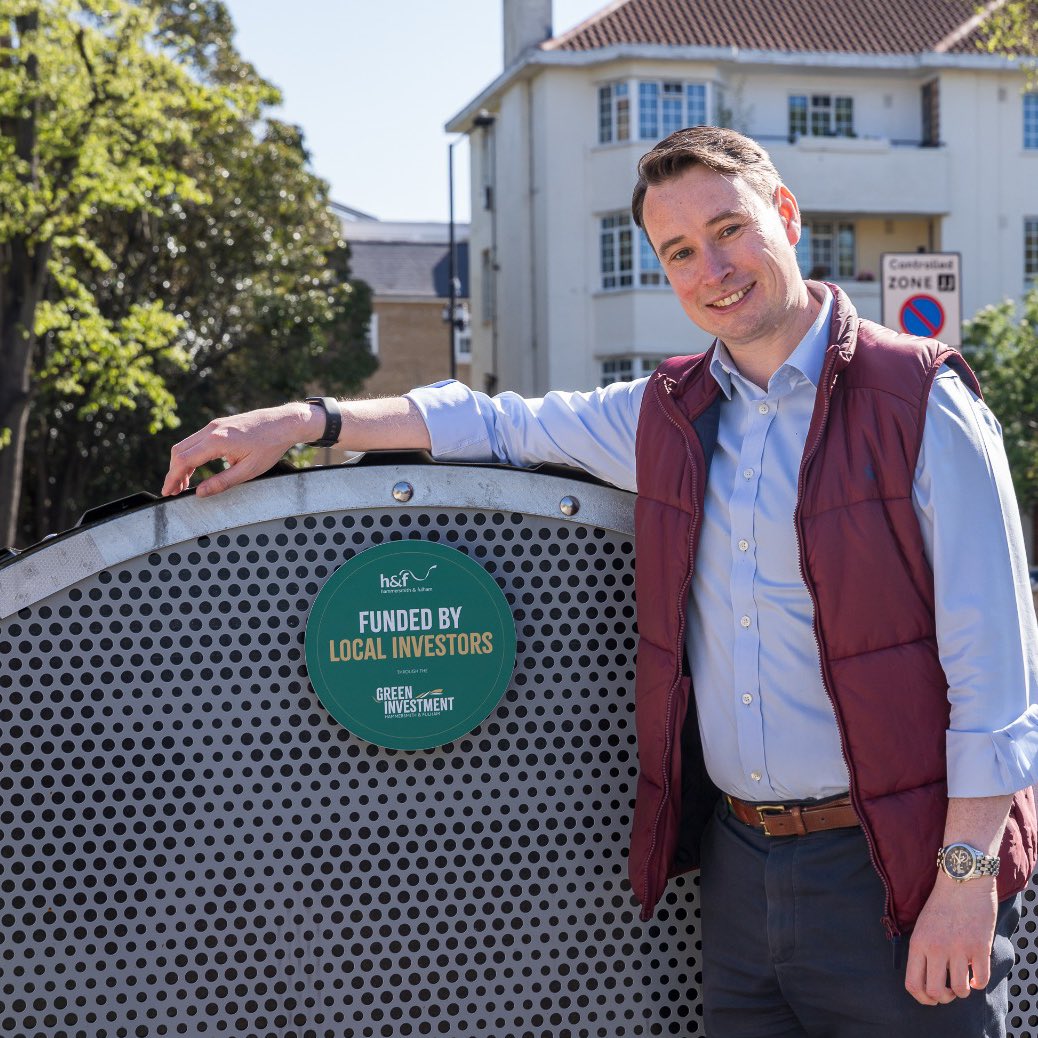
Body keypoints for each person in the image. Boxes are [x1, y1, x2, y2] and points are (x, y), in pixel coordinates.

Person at [162, 126, 1038, 1037]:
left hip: (899, 874)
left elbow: (1000, 680)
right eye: (680, 252)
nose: (714, 268)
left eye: (730, 229)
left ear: (786, 215)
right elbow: (495, 424)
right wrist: (309, 419)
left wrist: (966, 882)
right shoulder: (666, 414)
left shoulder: (922, 402)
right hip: (742, 873)